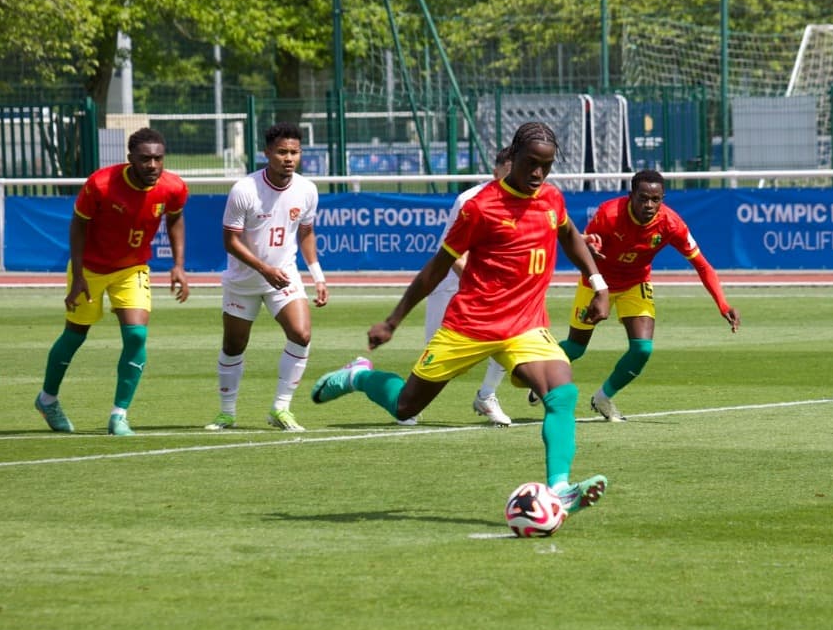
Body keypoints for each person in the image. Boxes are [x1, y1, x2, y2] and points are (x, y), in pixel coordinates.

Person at [310, 122, 611, 515]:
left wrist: (598, 282)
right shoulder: (480, 207)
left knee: (562, 392)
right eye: (532, 163)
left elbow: (568, 233)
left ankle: (559, 489)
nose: (539, 173)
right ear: (513, 157)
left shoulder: (551, 198)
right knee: (406, 408)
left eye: (547, 165)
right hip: (470, 325)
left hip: (525, 326)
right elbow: (436, 268)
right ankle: (360, 376)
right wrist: (392, 321)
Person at [537, 169, 741, 421]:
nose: (649, 205)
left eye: (656, 199)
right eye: (643, 198)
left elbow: (703, 265)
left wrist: (723, 304)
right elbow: (582, 244)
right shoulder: (609, 214)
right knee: (576, 349)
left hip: (635, 283)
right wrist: (592, 248)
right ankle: (539, 372)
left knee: (642, 349)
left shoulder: (671, 223)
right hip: (597, 284)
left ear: (663, 198)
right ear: (631, 195)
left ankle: (603, 398)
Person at [33, 127, 190, 436]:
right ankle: (47, 399)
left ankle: (119, 415)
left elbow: (175, 219)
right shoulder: (101, 184)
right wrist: (78, 276)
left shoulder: (173, 187)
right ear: (130, 158)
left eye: (158, 158)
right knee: (75, 335)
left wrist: (179, 265)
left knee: (136, 337)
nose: (153, 166)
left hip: (132, 270)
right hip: (90, 269)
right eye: (145, 159)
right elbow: (78, 226)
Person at [207, 123, 328, 432]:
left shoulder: (307, 190)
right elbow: (229, 241)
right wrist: (264, 269)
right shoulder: (245, 190)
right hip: (244, 282)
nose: (289, 158)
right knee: (234, 345)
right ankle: (226, 413)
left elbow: (307, 233)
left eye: (294, 152)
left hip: (284, 277)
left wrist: (317, 276)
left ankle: (280, 408)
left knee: (301, 334)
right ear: (267, 153)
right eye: (282, 152)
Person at [424, 149, 514, 426]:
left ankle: (486, 395)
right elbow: (451, 252)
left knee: (508, 338)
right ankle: (405, 401)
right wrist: (476, 281)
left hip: (492, 288)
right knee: (435, 356)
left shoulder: (525, 202)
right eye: (510, 169)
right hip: (451, 283)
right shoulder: (470, 200)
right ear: (496, 171)